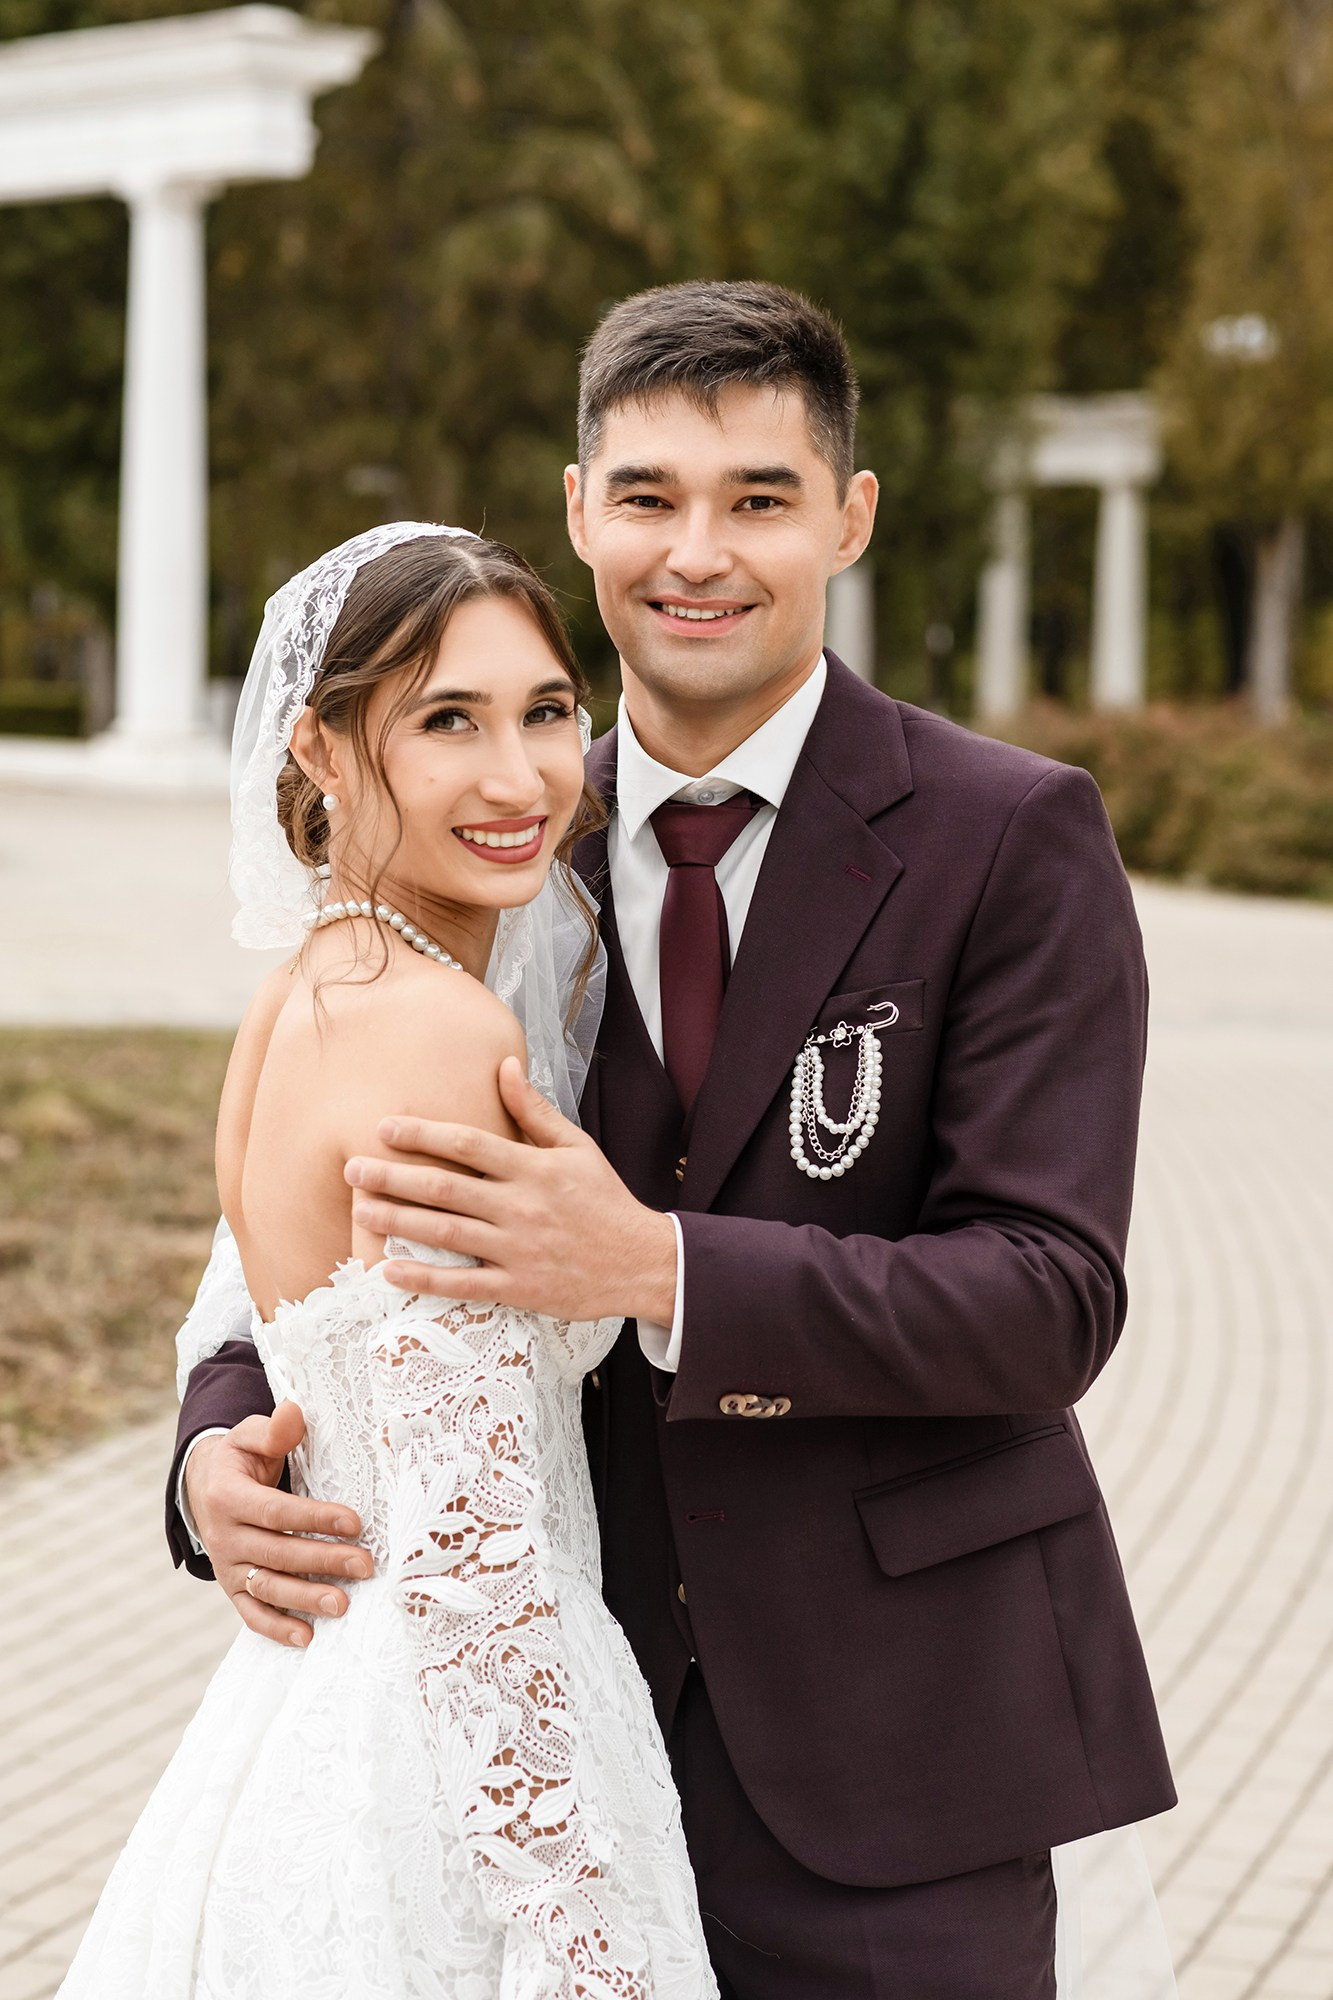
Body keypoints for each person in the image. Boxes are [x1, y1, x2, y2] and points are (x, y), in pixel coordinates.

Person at [169, 282, 1178, 1998]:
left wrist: (656, 1269)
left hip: (901, 1748)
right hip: (553, 1745)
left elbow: (1046, 1294)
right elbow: (309, 1235)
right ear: (580, 512)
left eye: (758, 498)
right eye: (646, 496)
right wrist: (213, 1453)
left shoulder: (1009, 837)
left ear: (848, 518)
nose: (695, 553)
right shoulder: (495, 831)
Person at [59, 524, 718, 1998]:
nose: (520, 777)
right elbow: (478, 1560)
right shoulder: (435, 1033)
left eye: (545, 711)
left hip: (318, 1702)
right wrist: (578, 1930)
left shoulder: (309, 989)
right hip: (445, 1753)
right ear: (320, 749)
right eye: (446, 722)